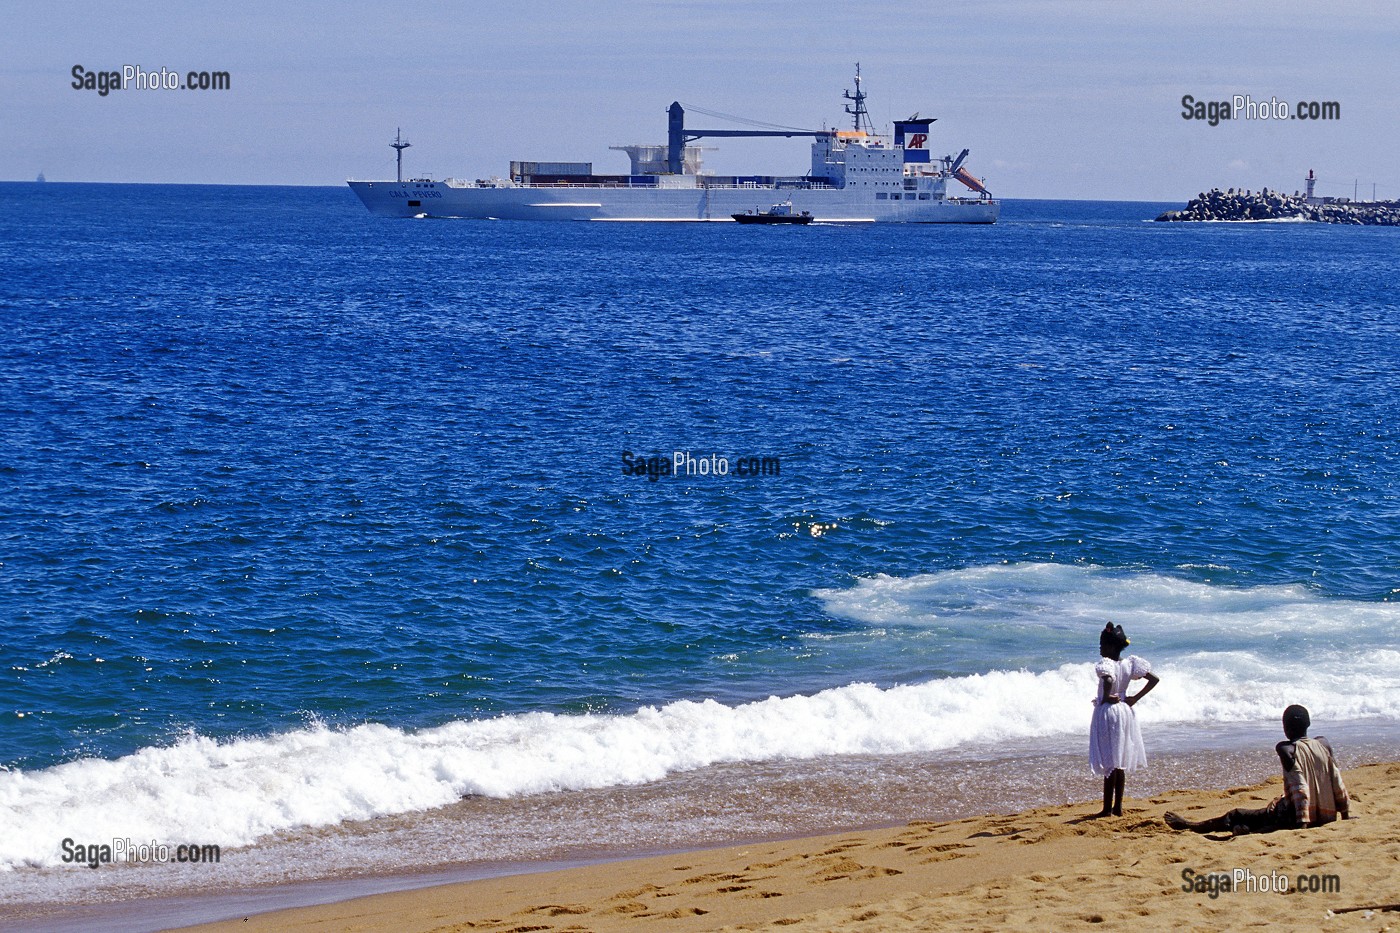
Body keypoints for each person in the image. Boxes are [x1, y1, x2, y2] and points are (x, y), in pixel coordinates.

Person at [1165, 705, 1349, 834]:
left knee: (1235, 815)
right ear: (1308, 724)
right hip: (1327, 815)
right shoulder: (1323, 743)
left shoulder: (1286, 749)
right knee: (1256, 818)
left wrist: (1302, 824)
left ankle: (1190, 826)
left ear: (1285, 728)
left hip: (1298, 817)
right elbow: (1336, 781)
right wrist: (1345, 813)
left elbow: (1299, 788)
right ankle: (1249, 830)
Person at [1089, 622, 1159, 817]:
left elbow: (1108, 679)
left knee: (1109, 761)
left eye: (1102, 644)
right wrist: (1134, 698)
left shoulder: (1106, 664)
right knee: (1119, 760)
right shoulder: (1130, 663)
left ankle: (1106, 809)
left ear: (1111, 646)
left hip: (1109, 712)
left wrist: (1106, 695)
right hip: (1125, 712)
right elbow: (1154, 679)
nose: (1100, 648)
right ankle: (1118, 807)